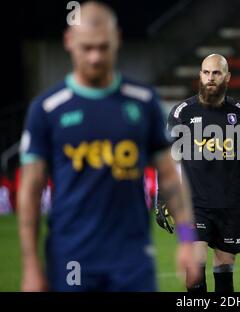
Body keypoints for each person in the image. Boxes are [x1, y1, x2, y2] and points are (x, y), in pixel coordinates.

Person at [17, 1, 199, 292]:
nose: (95, 57)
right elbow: (30, 189)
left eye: (103, 47)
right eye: (86, 48)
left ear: (118, 40)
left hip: (132, 256)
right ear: (69, 41)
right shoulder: (47, 109)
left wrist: (188, 239)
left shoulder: (143, 102)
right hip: (71, 256)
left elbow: (169, 175)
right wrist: (30, 265)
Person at [155, 54, 240, 292]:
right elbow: (167, 160)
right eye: (206, 72)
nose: (210, 78)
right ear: (200, 76)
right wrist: (161, 197)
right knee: (195, 264)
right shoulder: (182, 112)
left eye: (216, 73)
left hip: (229, 205)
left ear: (227, 77)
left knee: (225, 265)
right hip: (193, 205)